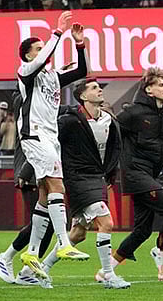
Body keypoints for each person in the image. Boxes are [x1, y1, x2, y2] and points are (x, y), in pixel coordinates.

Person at [15, 11, 89, 281]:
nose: (43, 52)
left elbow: (82, 72)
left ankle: (32, 251)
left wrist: (79, 44)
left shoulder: (52, 77)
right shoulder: (25, 72)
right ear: (27, 56)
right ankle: (63, 243)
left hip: (49, 136)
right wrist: (57, 32)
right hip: (34, 135)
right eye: (37, 49)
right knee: (57, 185)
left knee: (46, 195)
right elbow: (43, 57)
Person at [39, 79, 130, 288]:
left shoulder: (108, 120)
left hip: (97, 178)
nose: (99, 90)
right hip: (77, 178)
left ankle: (41, 268)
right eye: (94, 88)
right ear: (82, 96)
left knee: (78, 234)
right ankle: (108, 275)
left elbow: (114, 150)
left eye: (99, 87)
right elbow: (48, 143)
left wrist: (110, 175)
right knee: (106, 223)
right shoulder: (70, 121)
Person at [111, 68, 163, 281]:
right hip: (136, 174)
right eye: (161, 85)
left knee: (143, 231)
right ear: (149, 90)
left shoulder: (162, 116)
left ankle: (106, 269)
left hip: (149, 175)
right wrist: (112, 167)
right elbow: (112, 133)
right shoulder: (133, 113)